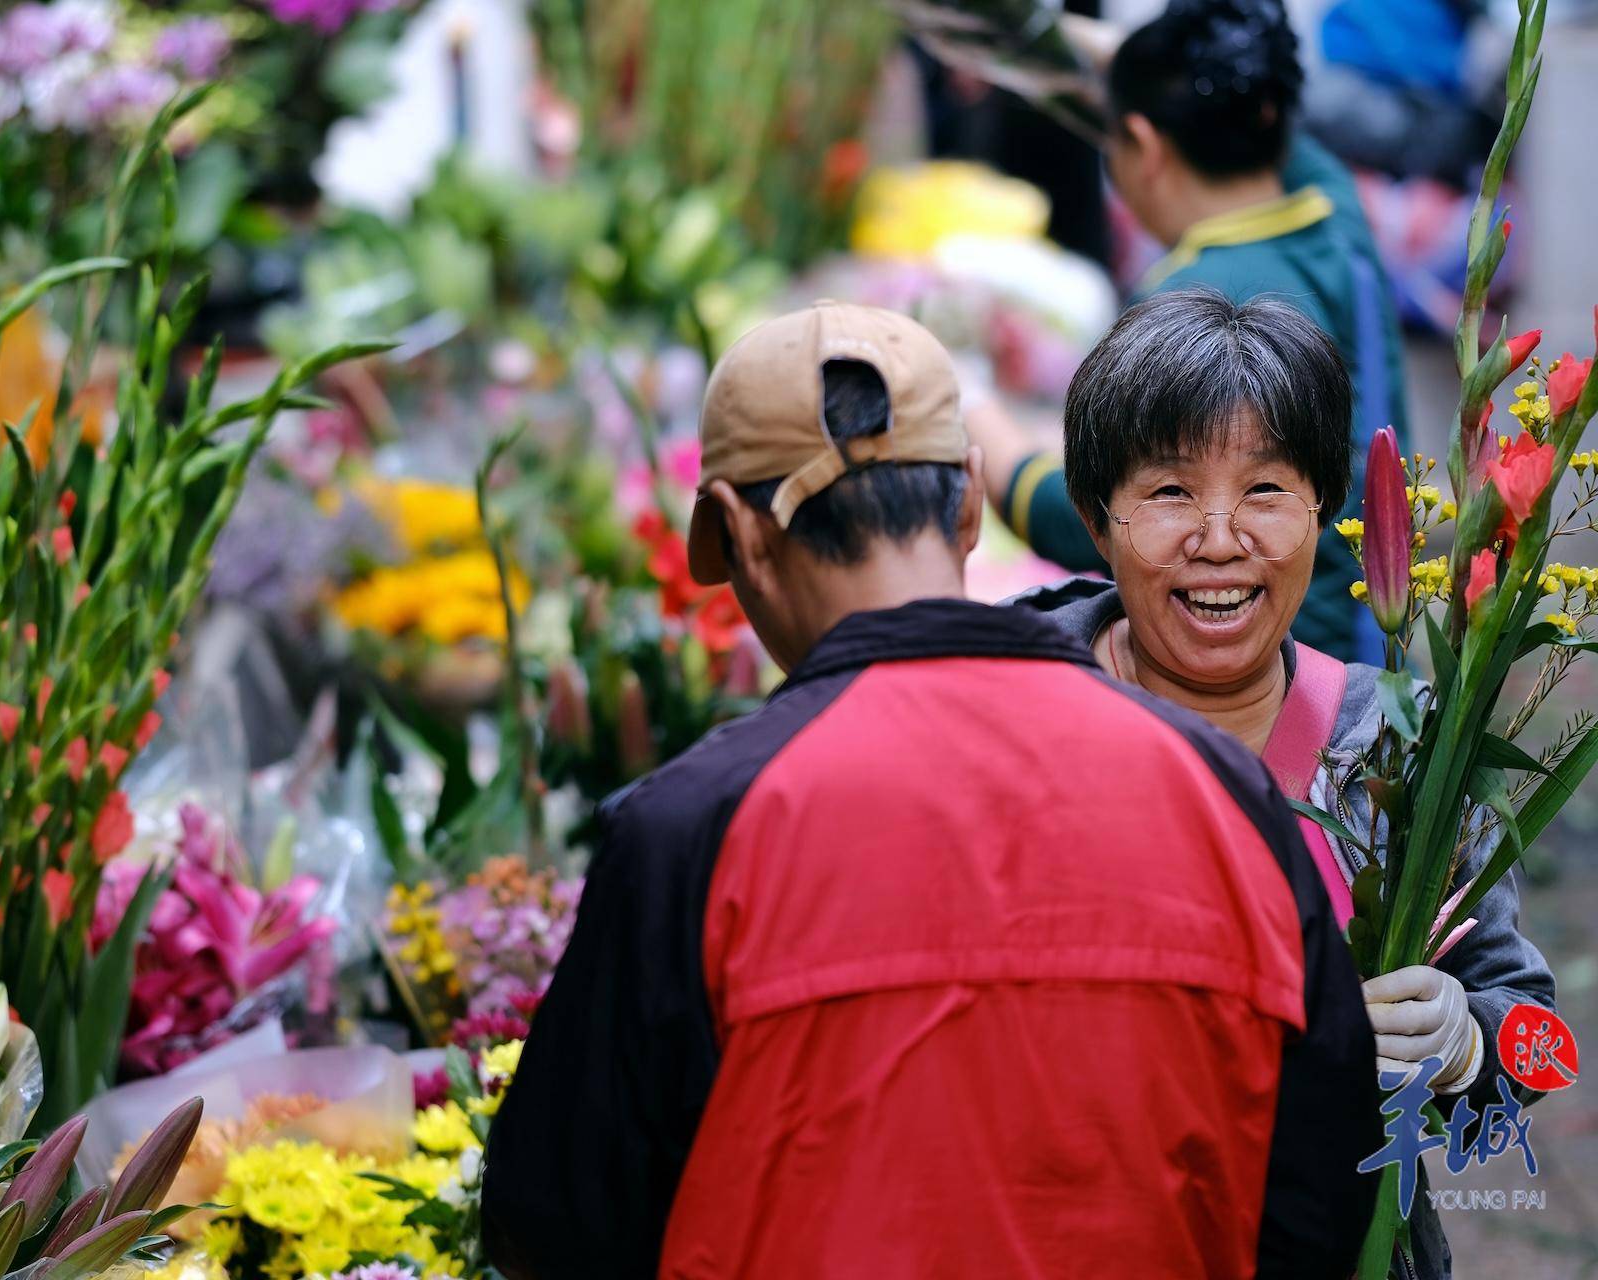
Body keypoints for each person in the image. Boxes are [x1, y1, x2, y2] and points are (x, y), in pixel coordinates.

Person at [481, 301, 1380, 1279]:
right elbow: (1325, 1194)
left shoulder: (688, 827)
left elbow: (559, 1231)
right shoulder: (1224, 791)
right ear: (967, 505)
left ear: (740, 534)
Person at [1010, 287, 1557, 1280]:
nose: (1220, 539)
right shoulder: (1018, 722)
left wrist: (1469, 1041)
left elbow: (1541, 1048)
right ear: (1096, 517)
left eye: (1265, 490)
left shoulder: (1396, 742)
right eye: (1170, 492)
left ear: (1323, 510)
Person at [968, 0, 1407, 665]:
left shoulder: (1186, 305)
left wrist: (974, 414)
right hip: (1380, 640)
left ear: (1142, 146)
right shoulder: (1331, 210)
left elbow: (1095, 518)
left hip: (1287, 672)